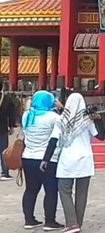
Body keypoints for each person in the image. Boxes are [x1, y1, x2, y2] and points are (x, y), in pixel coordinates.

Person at [42, 93, 105, 233]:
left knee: (64, 190)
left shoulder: (61, 120)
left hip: (67, 160)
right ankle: (78, 223)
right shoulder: (88, 120)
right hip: (85, 160)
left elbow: (53, 141)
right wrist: (99, 121)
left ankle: (72, 224)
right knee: (82, 194)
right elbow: (101, 136)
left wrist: (45, 159)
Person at [21, 91, 64, 230]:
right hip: (48, 158)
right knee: (51, 190)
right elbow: (59, 133)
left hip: (28, 157)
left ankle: (29, 219)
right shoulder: (54, 117)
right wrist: (61, 108)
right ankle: (50, 221)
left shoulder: (27, 115)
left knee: (31, 189)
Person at [0, 86, 17, 181]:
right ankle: (5, 172)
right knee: (3, 150)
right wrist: (11, 126)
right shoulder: (6, 99)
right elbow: (11, 114)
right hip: (2, 128)